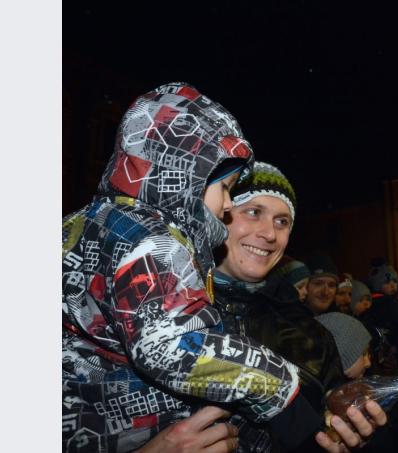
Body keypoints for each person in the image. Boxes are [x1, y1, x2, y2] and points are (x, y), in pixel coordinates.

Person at [62, 83, 301, 452]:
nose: (225, 207)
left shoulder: (91, 225)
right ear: (186, 176)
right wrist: (282, 385)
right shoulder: (149, 239)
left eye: (283, 222)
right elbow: (173, 344)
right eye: (224, 188)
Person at [210, 161, 387, 452]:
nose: (269, 234)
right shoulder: (164, 310)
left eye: (282, 222)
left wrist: (347, 438)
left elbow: (330, 426)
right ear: (220, 212)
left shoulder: (311, 334)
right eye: (253, 212)